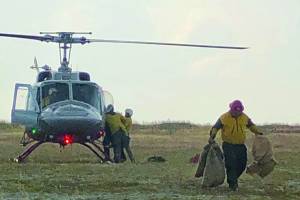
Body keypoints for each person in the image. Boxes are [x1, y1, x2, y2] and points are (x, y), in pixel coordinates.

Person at [208, 100, 263, 191]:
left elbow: (251, 126)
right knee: (231, 164)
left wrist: (258, 133)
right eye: (236, 110)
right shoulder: (224, 117)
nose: (238, 112)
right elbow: (215, 128)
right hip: (228, 145)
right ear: (231, 109)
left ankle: (232, 178)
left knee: (242, 164)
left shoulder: (244, 117)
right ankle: (233, 184)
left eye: (240, 111)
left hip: (240, 145)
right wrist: (212, 137)